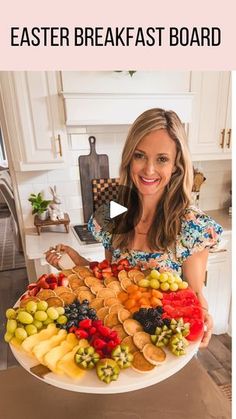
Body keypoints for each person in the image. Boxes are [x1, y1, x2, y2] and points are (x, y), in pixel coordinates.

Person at [46, 108, 223, 348]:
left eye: (162, 159)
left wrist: (203, 319)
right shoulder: (111, 215)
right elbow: (109, 282)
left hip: (164, 346)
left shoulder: (191, 225)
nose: (149, 170)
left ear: (176, 165)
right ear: (129, 158)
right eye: (140, 155)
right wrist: (77, 263)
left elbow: (194, 295)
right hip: (118, 343)